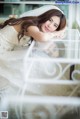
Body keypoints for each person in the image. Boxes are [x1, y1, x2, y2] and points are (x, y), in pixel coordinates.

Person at [0, 8, 66, 52]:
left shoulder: (38, 27)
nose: (50, 25)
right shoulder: (30, 24)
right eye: (50, 20)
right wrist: (56, 33)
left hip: (6, 50)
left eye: (55, 25)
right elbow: (42, 37)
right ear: (46, 16)